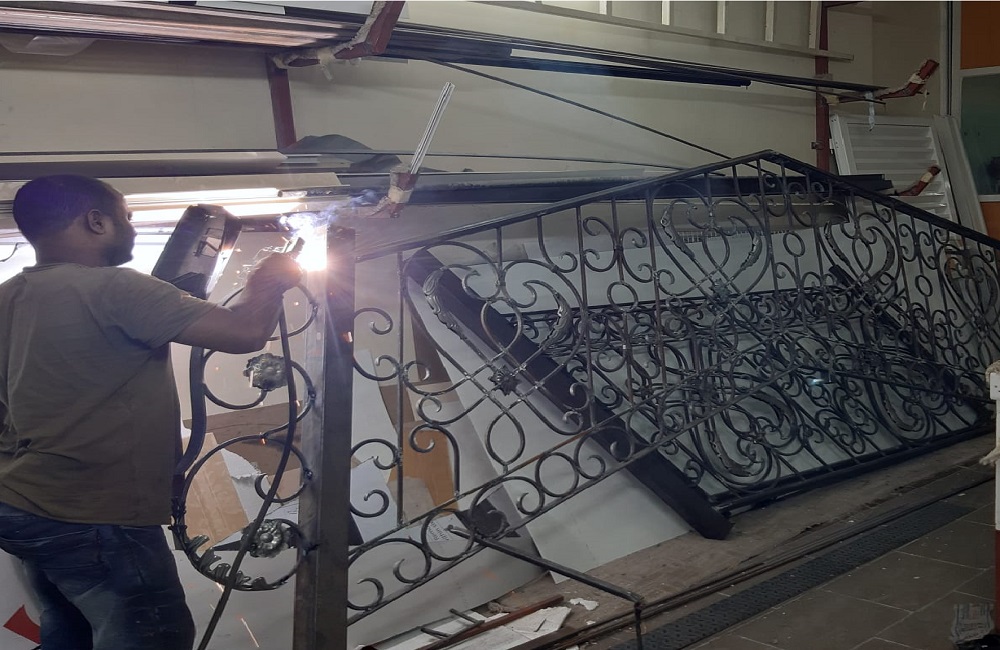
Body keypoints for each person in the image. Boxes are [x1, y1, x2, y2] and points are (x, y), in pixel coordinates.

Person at [0, 174, 302, 649]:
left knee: (74, 634)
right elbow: (245, 332)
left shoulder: (9, 296)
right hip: (91, 513)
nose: (133, 227)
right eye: (126, 217)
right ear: (96, 222)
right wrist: (270, 278)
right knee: (155, 637)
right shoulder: (115, 287)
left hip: (23, 504)